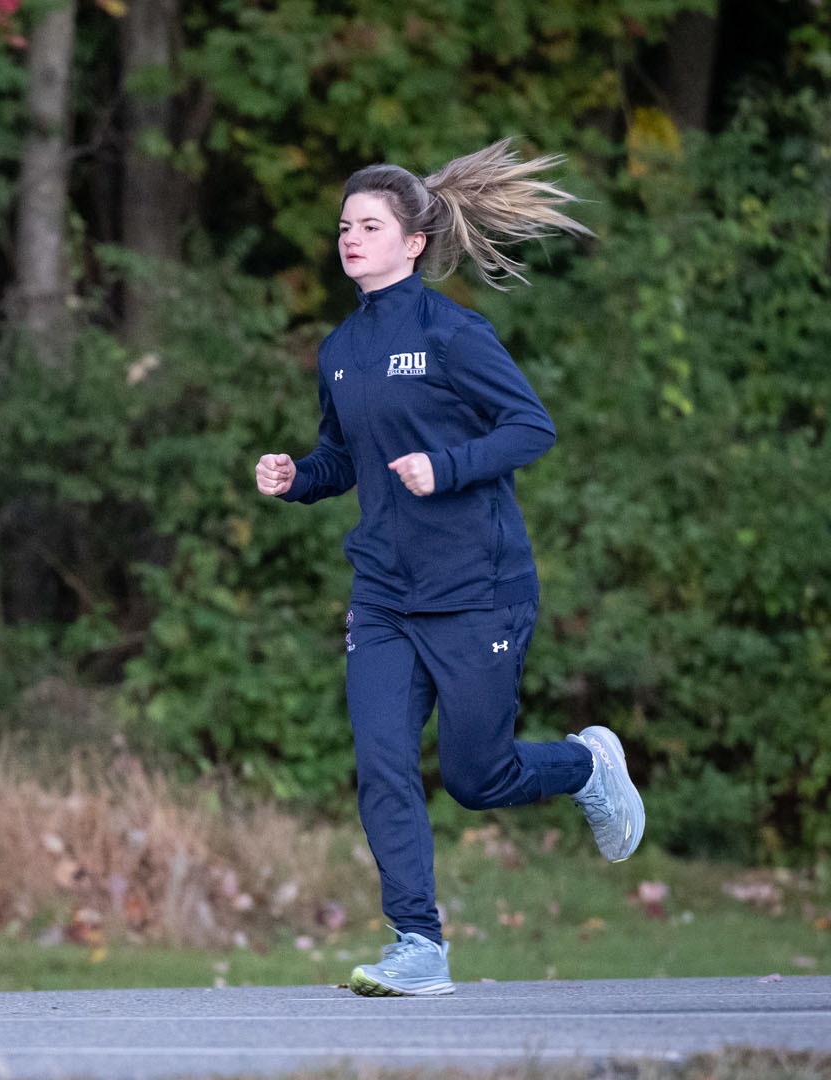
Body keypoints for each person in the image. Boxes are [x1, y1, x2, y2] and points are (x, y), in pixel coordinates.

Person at [253, 140, 644, 997]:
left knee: (477, 778)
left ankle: (586, 766)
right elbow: (342, 458)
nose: (350, 238)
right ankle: (418, 944)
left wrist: (449, 466)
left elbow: (531, 427)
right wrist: (296, 477)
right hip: (385, 596)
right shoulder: (340, 349)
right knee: (383, 764)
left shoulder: (453, 334)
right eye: (344, 226)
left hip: (478, 591)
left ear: (414, 241)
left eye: (369, 226)